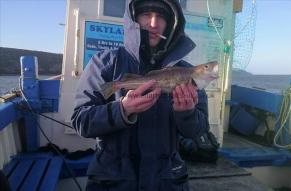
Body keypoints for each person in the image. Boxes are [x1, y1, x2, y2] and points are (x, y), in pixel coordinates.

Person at [71, 0, 210, 190]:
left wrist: (187, 113)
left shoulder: (187, 73)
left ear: (171, 24)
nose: (153, 23)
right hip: (113, 181)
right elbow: (81, 121)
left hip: (167, 181)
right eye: (146, 14)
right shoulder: (104, 63)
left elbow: (199, 131)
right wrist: (122, 109)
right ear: (133, 19)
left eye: (161, 16)